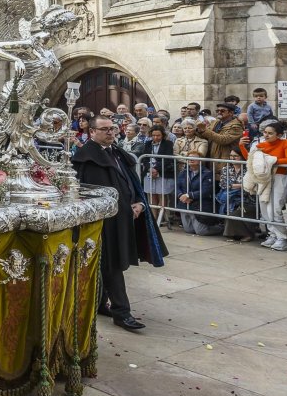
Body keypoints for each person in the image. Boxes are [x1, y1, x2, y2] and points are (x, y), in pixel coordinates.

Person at [72, 116, 167, 331]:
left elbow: (130, 182)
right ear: (92, 132)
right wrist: (126, 208)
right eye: (104, 129)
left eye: (112, 128)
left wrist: (139, 203)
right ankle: (121, 312)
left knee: (109, 263)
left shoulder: (116, 152)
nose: (110, 132)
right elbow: (94, 193)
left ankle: (100, 303)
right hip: (105, 223)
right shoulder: (86, 158)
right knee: (111, 264)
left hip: (124, 217)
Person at [248, 120, 287, 252]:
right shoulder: (261, 144)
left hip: (280, 177)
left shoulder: (286, 143)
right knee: (264, 207)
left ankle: (282, 238)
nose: (266, 135)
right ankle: (272, 234)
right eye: (265, 132)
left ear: (279, 135)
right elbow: (250, 159)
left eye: (270, 133)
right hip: (265, 178)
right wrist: (241, 146)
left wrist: (269, 161)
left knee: (275, 209)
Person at [175, 153, 221, 236]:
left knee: (201, 231)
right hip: (184, 203)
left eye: (194, 158)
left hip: (199, 204)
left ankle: (221, 228)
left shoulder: (207, 173)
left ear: (200, 161)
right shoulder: (183, 172)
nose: (191, 159)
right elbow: (177, 187)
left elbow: (206, 190)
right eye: (189, 158)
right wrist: (181, 196)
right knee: (189, 230)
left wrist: (189, 195)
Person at [141, 126, 175, 224]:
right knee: (152, 195)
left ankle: (161, 218)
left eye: (158, 135)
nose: (155, 137)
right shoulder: (148, 143)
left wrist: (156, 169)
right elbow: (144, 158)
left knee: (162, 195)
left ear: (162, 135)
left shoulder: (168, 144)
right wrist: (150, 169)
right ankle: (153, 219)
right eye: (153, 135)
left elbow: (167, 159)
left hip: (162, 172)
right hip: (149, 172)